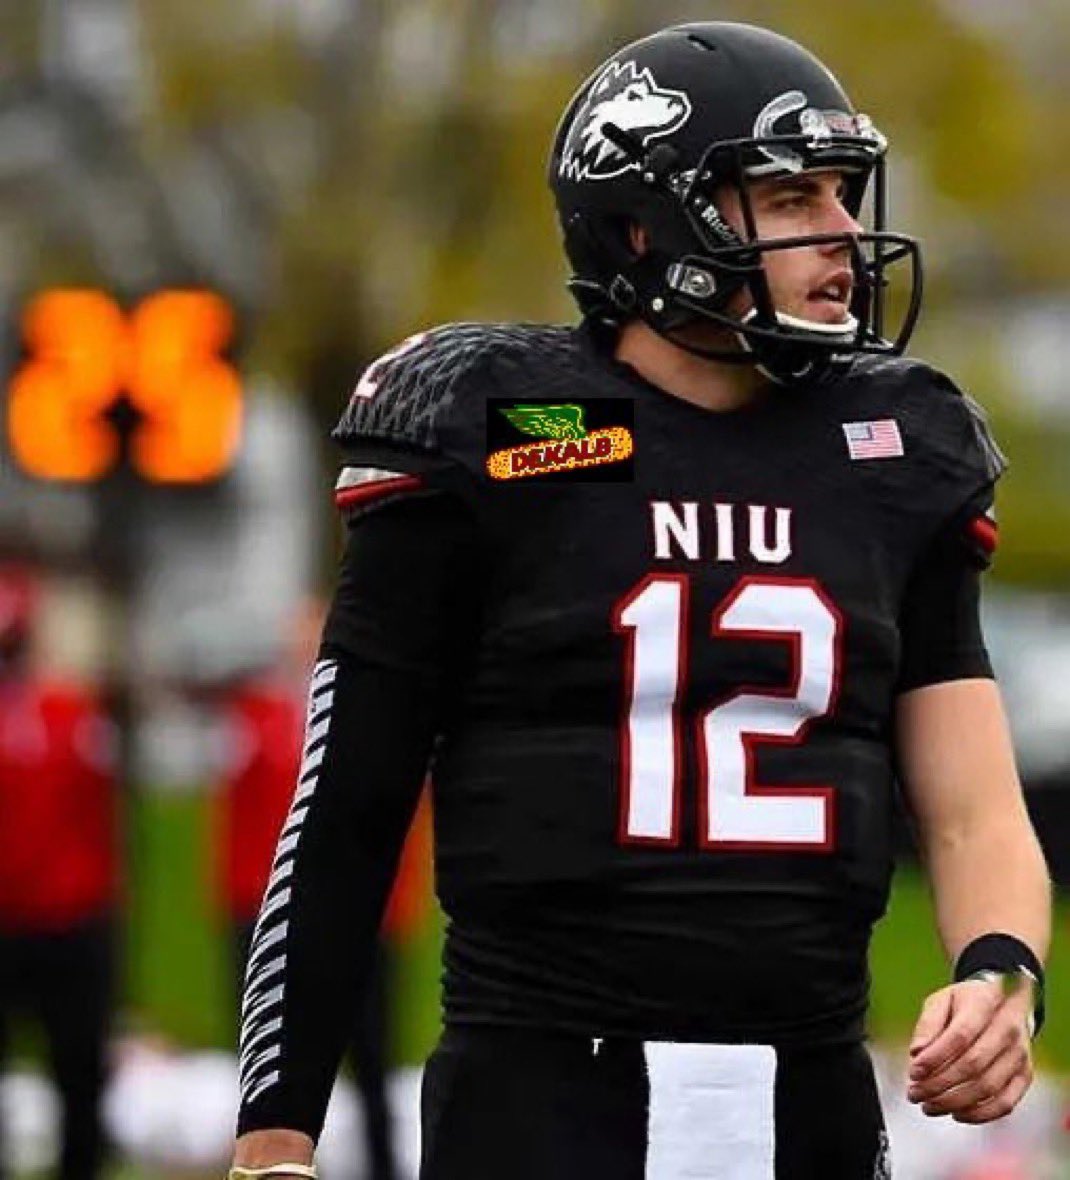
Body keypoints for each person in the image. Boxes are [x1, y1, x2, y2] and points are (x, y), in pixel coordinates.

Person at [229, 22, 1052, 1179]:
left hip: (808, 1100)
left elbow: (973, 813)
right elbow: (346, 817)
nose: (839, 231)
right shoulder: (498, 430)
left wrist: (999, 971)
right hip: (543, 1102)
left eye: (838, 190)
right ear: (643, 225)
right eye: (789, 196)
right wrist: (274, 1141)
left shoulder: (893, 450)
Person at [213, 609, 431, 1180]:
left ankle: (381, 1165)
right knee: (269, 1069)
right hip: (271, 909)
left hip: (358, 918)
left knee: (372, 1056)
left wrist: (396, 904)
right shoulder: (256, 717)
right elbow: (233, 814)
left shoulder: (367, 717)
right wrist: (241, 902)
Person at [0, 565, 118, 1180]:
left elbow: (100, 819)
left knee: (79, 1070)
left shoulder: (71, 714)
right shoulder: (67, 714)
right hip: (20, 918)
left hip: (68, 918)